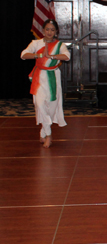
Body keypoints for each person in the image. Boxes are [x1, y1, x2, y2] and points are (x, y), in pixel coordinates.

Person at [21, 19, 70, 148]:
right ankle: (48, 134)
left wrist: (52, 57)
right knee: (40, 104)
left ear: (56, 32)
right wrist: (38, 55)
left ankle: (43, 131)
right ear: (43, 30)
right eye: (47, 29)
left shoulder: (60, 45)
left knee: (52, 108)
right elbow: (23, 55)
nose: (49, 32)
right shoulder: (36, 43)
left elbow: (66, 56)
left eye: (52, 30)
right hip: (39, 77)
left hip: (53, 77)